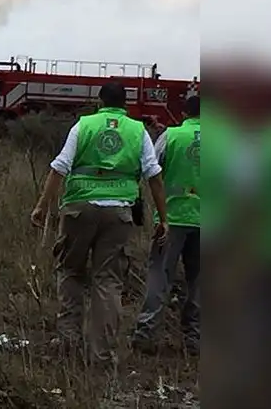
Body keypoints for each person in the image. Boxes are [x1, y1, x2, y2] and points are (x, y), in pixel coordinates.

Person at [29, 81, 169, 374]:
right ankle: (101, 358)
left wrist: (42, 206)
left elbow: (59, 167)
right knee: (108, 281)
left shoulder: (84, 126)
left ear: (99, 102)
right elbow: (154, 176)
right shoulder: (137, 130)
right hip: (119, 212)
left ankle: (68, 346)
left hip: (79, 209)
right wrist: (163, 217)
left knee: (70, 271)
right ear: (125, 104)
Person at [131, 95, 200, 355]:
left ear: (184, 113)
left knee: (160, 275)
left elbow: (152, 171)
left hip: (172, 219)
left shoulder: (170, 136)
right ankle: (196, 339)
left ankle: (146, 334)